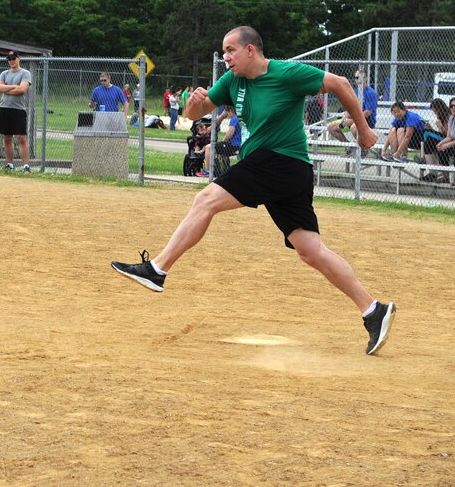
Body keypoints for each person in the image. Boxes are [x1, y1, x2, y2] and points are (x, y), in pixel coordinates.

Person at [110, 26, 396, 356]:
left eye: (231, 50)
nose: (226, 57)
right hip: (283, 169)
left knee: (205, 199)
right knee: (310, 250)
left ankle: (157, 269)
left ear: (250, 50)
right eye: (224, 50)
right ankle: (373, 310)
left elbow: (340, 85)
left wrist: (362, 128)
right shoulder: (233, 81)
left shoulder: (287, 73)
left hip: (280, 161)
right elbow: (195, 114)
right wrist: (194, 102)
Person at [0, 50, 32, 172]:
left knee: (21, 138)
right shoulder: (4, 73)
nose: (11, 61)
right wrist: (13, 86)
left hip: (18, 109)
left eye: (13, 58)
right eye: (9, 59)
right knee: (7, 138)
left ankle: (26, 166)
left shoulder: (25, 73)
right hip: (4, 108)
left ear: (19, 58)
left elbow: (22, 90)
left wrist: (6, 89)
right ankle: (10, 165)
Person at [326, 69, 378, 148]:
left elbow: (368, 112)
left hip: (367, 121)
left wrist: (353, 120)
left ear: (366, 79)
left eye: (360, 78)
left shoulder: (371, 93)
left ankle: (363, 150)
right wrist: (345, 117)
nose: (358, 80)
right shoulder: (355, 91)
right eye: (356, 78)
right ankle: (348, 147)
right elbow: (350, 107)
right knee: (331, 127)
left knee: (354, 127)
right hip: (353, 119)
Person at [198, 105, 242, 178]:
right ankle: (224, 170)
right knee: (221, 151)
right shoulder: (240, 119)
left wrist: (224, 140)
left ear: (231, 111)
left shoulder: (234, 119)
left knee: (208, 147)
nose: (228, 115)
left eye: (227, 114)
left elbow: (229, 134)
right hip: (238, 145)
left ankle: (208, 171)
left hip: (233, 145)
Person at [420, 98, 451, 183]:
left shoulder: (449, 116)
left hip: (448, 140)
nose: (435, 113)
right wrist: (431, 128)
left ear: (439, 108)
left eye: (435, 111)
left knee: (426, 133)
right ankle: (430, 170)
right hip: (442, 139)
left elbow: (449, 134)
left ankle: (423, 158)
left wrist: (440, 126)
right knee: (426, 134)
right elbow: (439, 133)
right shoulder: (440, 117)